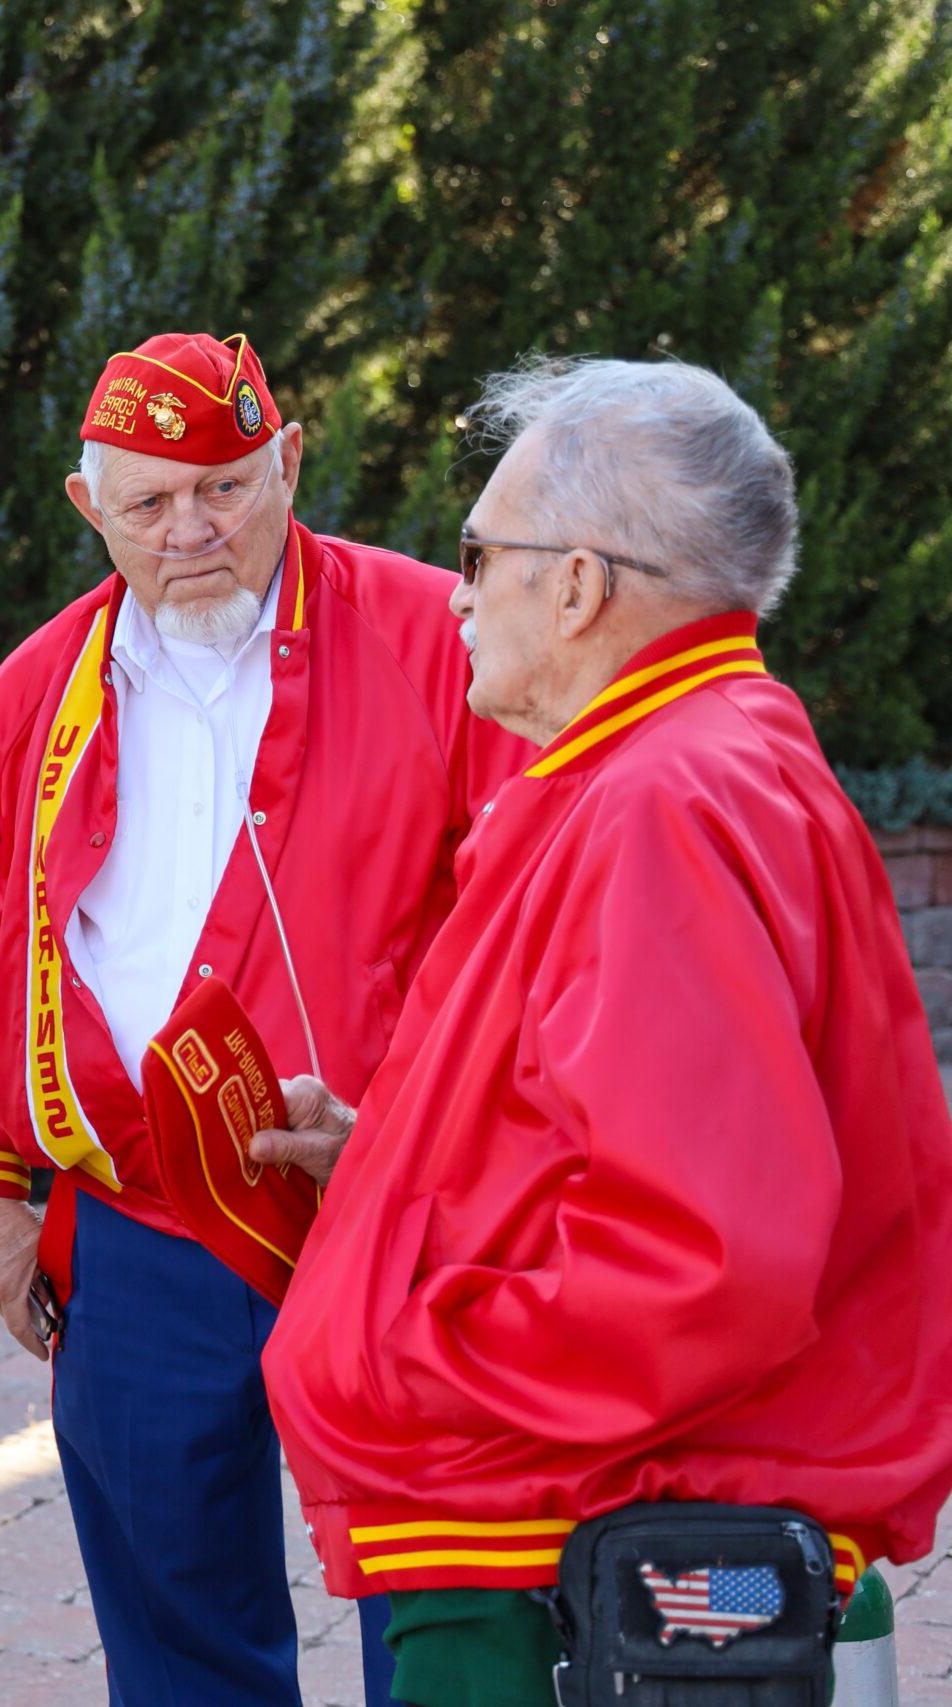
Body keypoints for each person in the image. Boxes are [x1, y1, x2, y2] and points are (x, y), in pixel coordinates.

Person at [258, 356, 952, 1706]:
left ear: (577, 585)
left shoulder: (663, 801)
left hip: (561, 1542)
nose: (455, 592)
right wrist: (395, 1168)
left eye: (478, 550)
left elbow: (698, 1252)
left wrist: (399, 1346)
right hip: (570, 1511)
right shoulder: (689, 757)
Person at [0, 330, 530, 1704]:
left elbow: (530, 913)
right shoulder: (35, 689)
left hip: (395, 1203)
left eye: (228, 486)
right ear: (90, 508)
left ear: (290, 460)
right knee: (173, 1613)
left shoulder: (443, 638)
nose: (191, 528)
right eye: (147, 502)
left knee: (443, 1596)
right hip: (137, 1215)